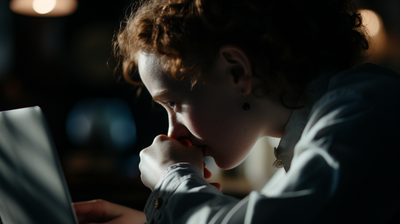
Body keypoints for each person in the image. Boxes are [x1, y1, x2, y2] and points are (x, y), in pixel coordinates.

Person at [73, 0, 400, 223]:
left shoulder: (364, 111)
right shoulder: (334, 117)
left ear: (237, 71)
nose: (172, 132)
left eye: (174, 103)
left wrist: (173, 181)